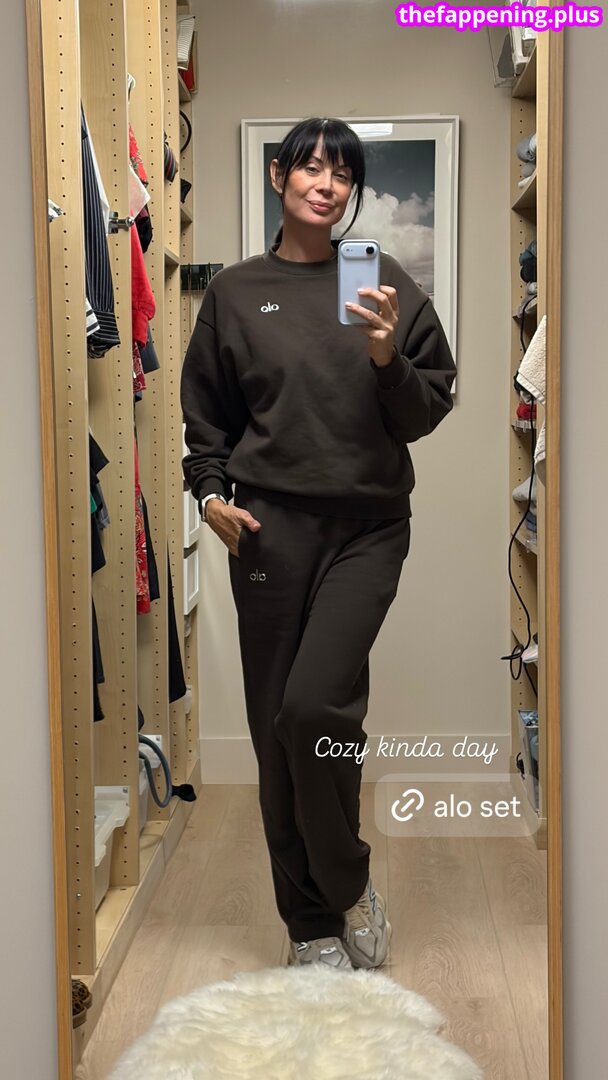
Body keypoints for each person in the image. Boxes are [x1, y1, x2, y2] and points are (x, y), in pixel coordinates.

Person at [180, 116, 457, 970]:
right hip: (269, 532)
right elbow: (207, 420)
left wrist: (385, 356)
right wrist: (210, 495)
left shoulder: (383, 282)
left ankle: (347, 882)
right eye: (311, 168)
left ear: (352, 191)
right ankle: (308, 925)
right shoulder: (236, 293)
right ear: (280, 176)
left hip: (367, 527)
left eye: (342, 173)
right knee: (278, 728)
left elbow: (427, 409)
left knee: (314, 709)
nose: (326, 185)